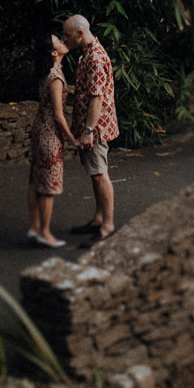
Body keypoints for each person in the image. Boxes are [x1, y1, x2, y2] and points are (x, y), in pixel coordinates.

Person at [61, 13, 118, 239]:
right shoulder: (87, 53)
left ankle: (108, 225)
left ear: (80, 33)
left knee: (100, 174)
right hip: (93, 126)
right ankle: (99, 218)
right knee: (95, 173)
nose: (65, 40)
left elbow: (97, 99)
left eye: (67, 35)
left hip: (95, 128)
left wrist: (88, 131)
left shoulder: (94, 58)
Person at [26, 32, 78, 247]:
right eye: (59, 41)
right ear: (54, 52)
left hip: (39, 129)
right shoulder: (56, 77)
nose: (64, 41)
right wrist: (72, 138)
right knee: (48, 186)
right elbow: (59, 114)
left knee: (35, 179)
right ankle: (45, 233)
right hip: (49, 135)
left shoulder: (46, 72)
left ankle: (34, 227)